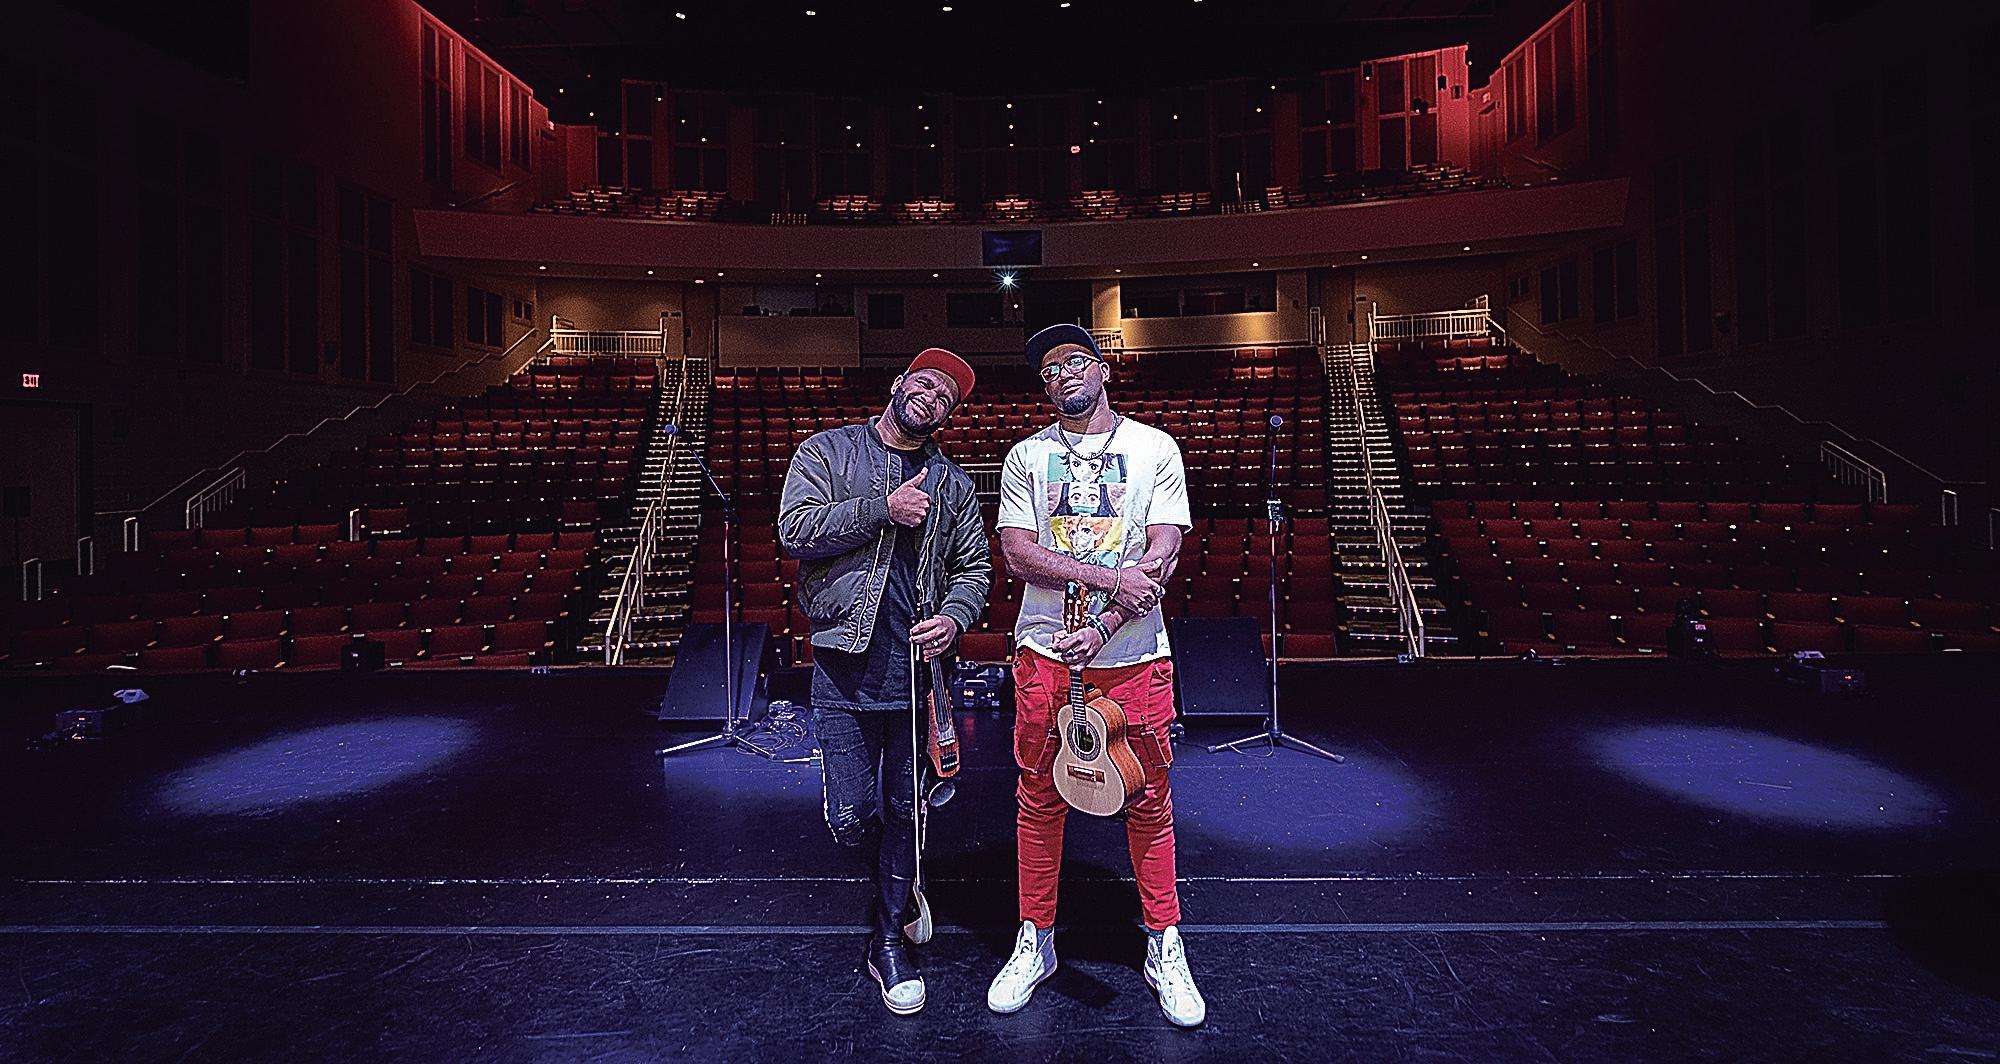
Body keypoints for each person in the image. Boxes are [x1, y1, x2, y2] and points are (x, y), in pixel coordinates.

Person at [987, 323, 1206, 1027]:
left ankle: (1163, 940)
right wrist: (1109, 579)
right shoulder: (1026, 456)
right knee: (1038, 798)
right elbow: (1018, 553)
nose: (1063, 374)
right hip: (1044, 655)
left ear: (1104, 369)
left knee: (1149, 800)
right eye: (1050, 369)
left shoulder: (1154, 448)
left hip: (1135, 658)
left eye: (1076, 361)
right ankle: (1037, 938)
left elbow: (1163, 549)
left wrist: (1105, 624)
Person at [777, 348, 991, 1016]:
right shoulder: (827, 451)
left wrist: (955, 618)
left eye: (946, 398)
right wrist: (881, 508)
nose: (933, 398)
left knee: (905, 809)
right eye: (925, 384)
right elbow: (794, 530)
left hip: (918, 676)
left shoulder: (952, 482)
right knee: (849, 818)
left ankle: (888, 937)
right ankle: (898, 884)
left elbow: (974, 567)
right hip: (844, 669)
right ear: (899, 385)